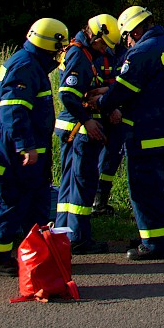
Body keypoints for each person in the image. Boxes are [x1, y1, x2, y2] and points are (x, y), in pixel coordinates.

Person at [0, 18, 67, 276]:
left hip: (20, 153)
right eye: (59, 48)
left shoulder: (29, 64)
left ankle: (33, 254)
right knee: (8, 204)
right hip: (12, 154)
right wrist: (25, 146)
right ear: (50, 45)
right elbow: (14, 111)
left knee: (31, 204)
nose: (60, 54)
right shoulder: (25, 66)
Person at [99, 5, 164, 261]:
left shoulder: (141, 52)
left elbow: (123, 90)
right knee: (160, 190)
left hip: (147, 133)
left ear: (136, 30)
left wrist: (101, 103)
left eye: (127, 34)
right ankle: (157, 238)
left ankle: (153, 245)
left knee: (143, 190)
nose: (126, 40)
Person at [54, 13, 120, 254]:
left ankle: (64, 235)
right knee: (81, 183)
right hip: (77, 128)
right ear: (93, 34)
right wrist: (87, 121)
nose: (104, 50)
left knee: (73, 184)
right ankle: (78, 238)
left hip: (80, 127)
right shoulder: (77, 55)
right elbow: (67, 95)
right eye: (102, 44)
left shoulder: (90, 54)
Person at [93, 35, 129, 216]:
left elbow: (127, 84)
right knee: (95, 158)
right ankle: (93, 200)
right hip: (98, 114)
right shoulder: (96, 55)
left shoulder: (127, 54)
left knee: (112, 157)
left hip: (120, 114)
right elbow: (93, 88)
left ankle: (101, 201)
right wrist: (109, 109)